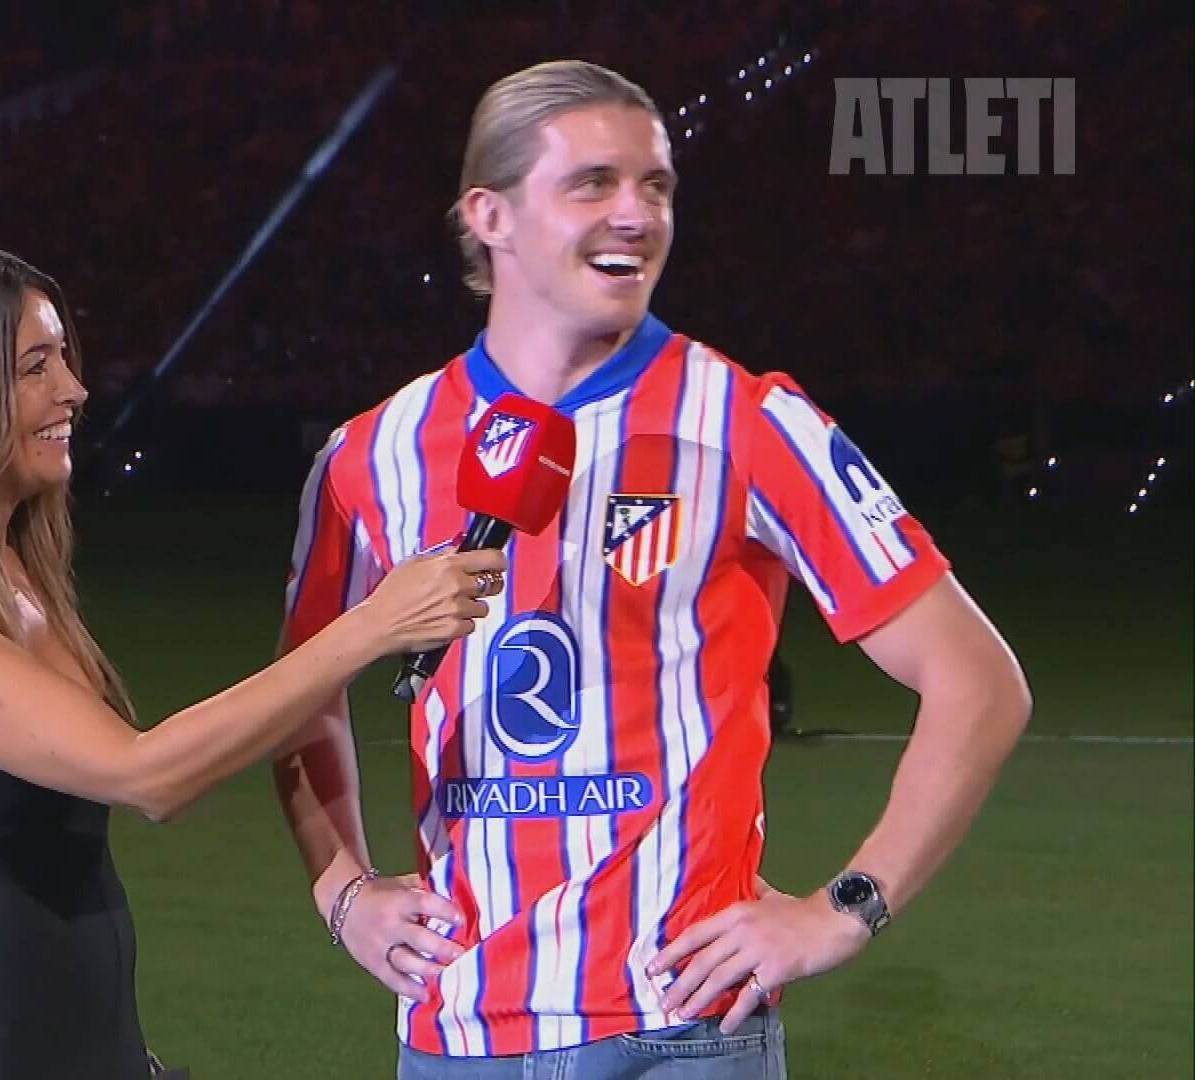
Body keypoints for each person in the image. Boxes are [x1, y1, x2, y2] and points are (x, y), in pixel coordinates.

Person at [270, 61, 1031, 1078]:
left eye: (657, 186)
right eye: (593, 183)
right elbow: (297, 701)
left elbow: (978, 682)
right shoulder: (375, 453)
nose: (637, 214)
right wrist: (342, 892)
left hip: (680, 1034)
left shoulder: (751, 423)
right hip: (458, 1031)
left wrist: (844, 909)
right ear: (488, 216)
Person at [0, 240, 509, 1080]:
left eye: (64, 357)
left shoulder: (8, 566)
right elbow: (147, 776)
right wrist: (373, 625)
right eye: (37, 366)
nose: (73, 388)